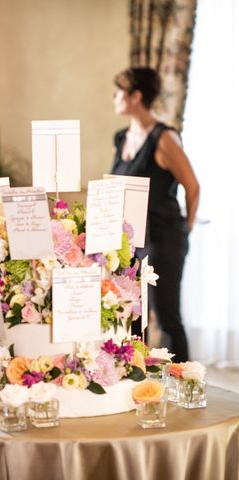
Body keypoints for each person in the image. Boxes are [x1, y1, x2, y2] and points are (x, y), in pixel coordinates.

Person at [110, 66, 200, 362]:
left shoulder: (164, 138)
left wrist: (184, 230)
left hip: (164, 240)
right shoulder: (122, 138)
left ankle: (186, 383)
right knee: (132, 316)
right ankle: (139, 381)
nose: (114, 96)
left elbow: (193, 186)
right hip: (131, 242)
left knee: (166, 317)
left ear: (136, 96)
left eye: (119, 90)